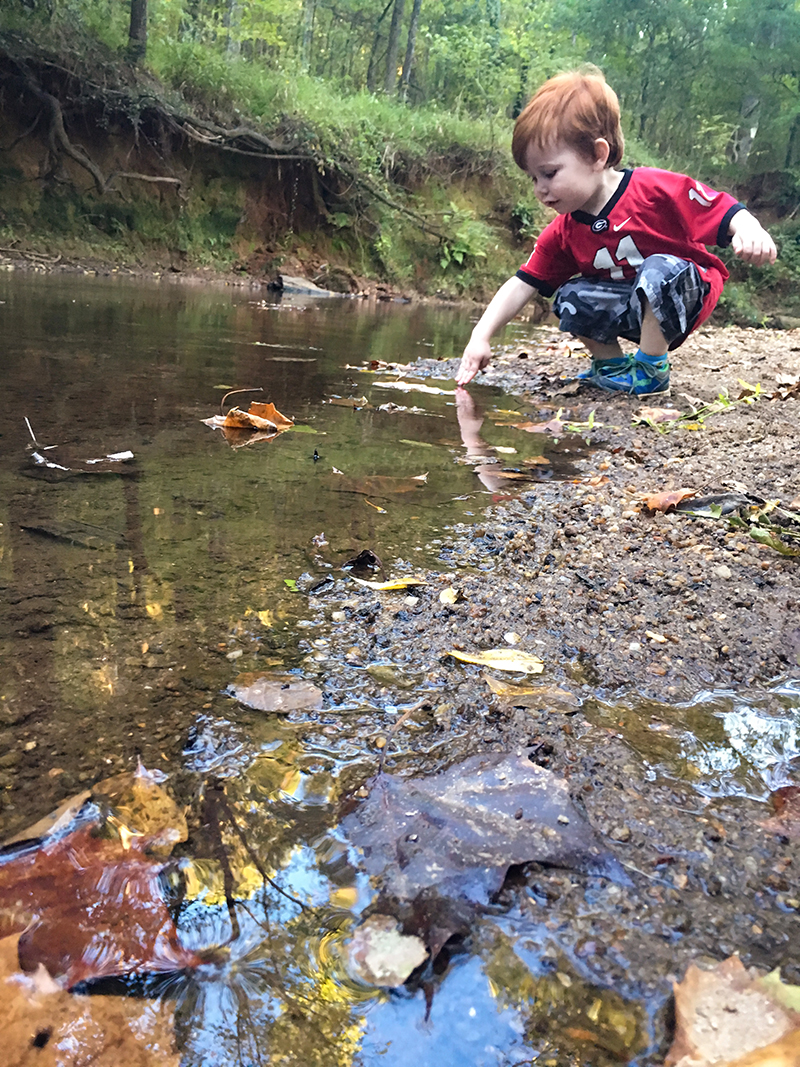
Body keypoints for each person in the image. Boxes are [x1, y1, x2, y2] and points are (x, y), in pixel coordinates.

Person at [456, 69, 777, 395]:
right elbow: (523, 283)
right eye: (533, 179)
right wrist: (480, 335)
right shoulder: (566, 229)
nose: (540, 189)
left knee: (658, 269)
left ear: (598, 154)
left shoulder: (651, 189)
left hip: (686, 294)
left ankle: (651, 370)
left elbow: (718, 208)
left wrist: (749, 228)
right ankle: (611, 367)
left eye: (549, 174)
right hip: (630, 307)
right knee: (570, 295)